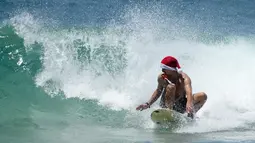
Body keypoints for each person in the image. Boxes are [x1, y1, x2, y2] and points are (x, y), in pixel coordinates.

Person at [136, 56, 207, 118]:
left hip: (180, 104)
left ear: (172, 69)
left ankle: (190, 116)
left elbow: (189, 93)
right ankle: (168, 112)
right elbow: (158, 91)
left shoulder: (184, 79)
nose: (162, 70)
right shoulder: (162, 77)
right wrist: (148, 104)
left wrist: (189, 104)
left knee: (203, 96)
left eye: (164, 68)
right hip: (166, 105)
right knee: (171, 87)